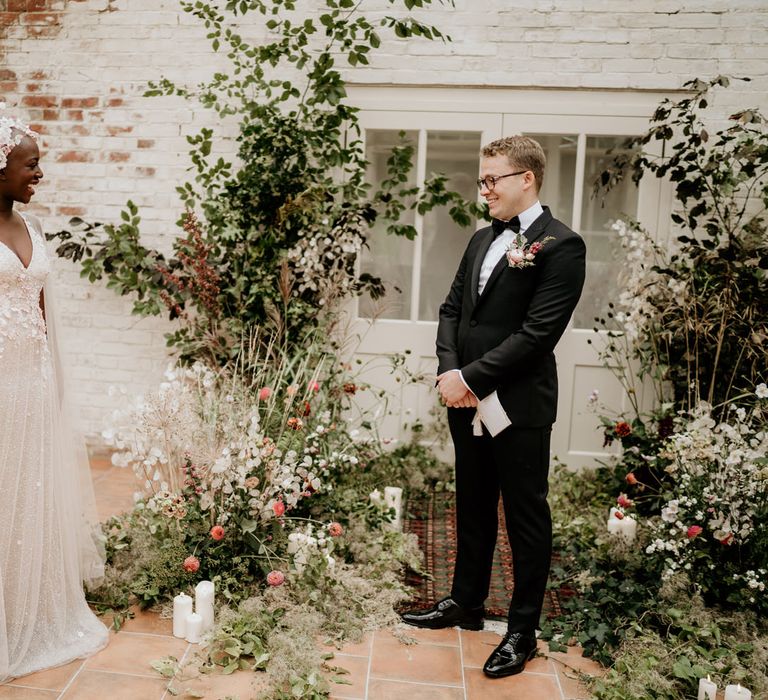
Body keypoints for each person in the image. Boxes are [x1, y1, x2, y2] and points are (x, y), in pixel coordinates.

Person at [401, 136, 586, 679]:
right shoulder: (482, 238)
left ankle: (523, 630)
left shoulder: (562, 245)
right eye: (481, 180)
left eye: (491, 180)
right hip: (464, 399)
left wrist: (472, 379)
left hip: (518, 405)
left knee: (526, 517)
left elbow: (536, 335)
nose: (483, 190)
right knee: (473, 502)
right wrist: (449, 372)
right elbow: (454, 309)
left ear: (525, 178)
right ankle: (465, 602)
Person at [0, 108, 108, 682]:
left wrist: (56, 383)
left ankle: (30, 610)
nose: (39, 174)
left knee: (29, 495)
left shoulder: (33, 230)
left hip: (32, 383)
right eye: (30, 165)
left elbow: (42, 315)